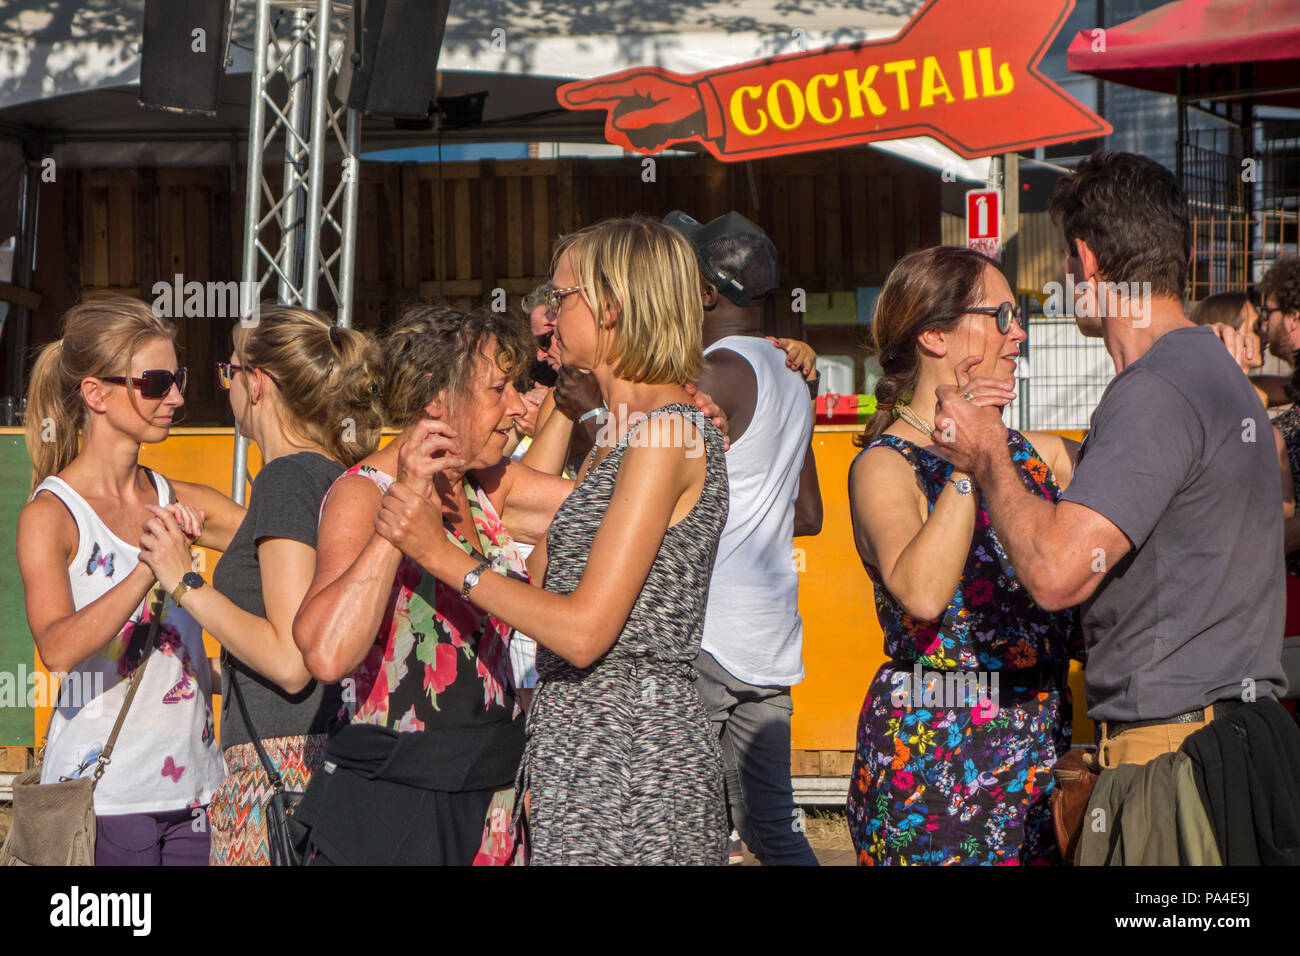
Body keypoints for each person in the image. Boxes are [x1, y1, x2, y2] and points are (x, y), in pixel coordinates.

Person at [933, 151, 1297, 864]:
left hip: (1174, 771)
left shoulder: (1154, 393)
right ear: (1184, 253)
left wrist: (988, 459)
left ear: (1085, 261)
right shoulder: (1209, 370)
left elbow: (1057, 573)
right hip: (1228, 746)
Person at [376, 217, 733, 864]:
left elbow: (583, 630)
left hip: (633, 761)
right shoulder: (625, 438)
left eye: (560, 296)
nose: (546, 315)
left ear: (614, 306)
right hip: (581, 747)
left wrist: (440, 556)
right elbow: (541, 572)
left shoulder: (662, 437)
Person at [289, 303, 567, 865]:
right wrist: (405, 510)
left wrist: (660, 419)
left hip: (489, 795)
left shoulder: (489, 487)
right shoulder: (364, 492)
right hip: (396, 806)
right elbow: (325, 653)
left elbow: (615, 511)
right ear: (438, 399)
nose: (518, 408)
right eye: (497, 390)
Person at [845, 246, 1084, 865]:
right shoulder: (883, 466)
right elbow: (922, 592)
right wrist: (970, 459)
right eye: (1000, 315)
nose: (1019, 332)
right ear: (932, 333)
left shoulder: (1042, 455)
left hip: (1039, 750)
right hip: (933, 760)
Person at [134, 306, 385, 865]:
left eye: (229, 371)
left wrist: (185, 581)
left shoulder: (288, 479)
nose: (227, 386)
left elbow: (292, 660)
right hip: (314, 760)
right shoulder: (332, 477)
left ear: (259, 383)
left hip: (278, 778)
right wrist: (207, 673)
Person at [16, 297, 238, 865]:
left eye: (179, 378)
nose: (178, 398)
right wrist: (150, 565)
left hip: (199, 791)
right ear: (97, 394)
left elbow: (284, 542)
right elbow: (57, 650)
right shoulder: (52, 513)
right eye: (157, 383)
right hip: (103, 798)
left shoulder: (177, 498)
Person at [662, 209, 823, 866]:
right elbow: (808, 512)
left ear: (704, 292)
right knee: (773, 832)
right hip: (768, 642)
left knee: (681, 831)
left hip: (706, 636)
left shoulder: (708, 376)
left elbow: (653, 494)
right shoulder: (793, 373)